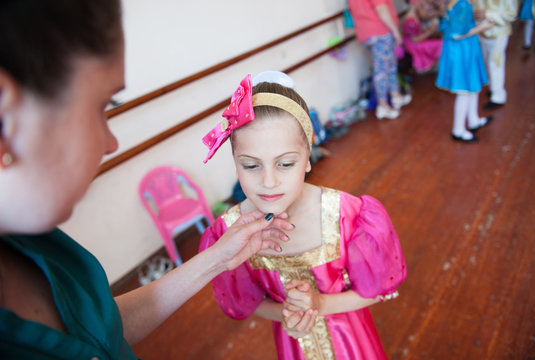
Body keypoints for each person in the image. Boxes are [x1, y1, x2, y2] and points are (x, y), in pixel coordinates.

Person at [0, 1, 294, 358]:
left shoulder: (42, 247)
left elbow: (100, 332)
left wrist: (217, 258)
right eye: (102, 106)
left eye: (286, 163)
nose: (111, 144)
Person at [199, 72, 407, 359]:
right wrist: (286, 314)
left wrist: (319, 304)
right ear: (235, 160)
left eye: (285, 163)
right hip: (292, 346)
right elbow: (247, 301)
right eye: (250, 166)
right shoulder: (228, 235)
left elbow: (373, 289)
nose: (269, 182)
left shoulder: (348, 215)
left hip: (353, 344)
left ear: (308, 151)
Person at [435, 0, 495, 142]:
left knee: (472, 88)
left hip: (465, 49)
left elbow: (454, 24)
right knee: (465, 91)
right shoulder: (463, 4)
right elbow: (456, 34)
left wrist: (474, 18)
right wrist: (483, 27)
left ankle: (473, 120)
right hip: (462, 50)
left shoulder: (456, 3)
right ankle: (458, 130)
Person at [348, 0, 412, 120]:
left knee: (389, 64)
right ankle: (382, 106)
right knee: (382, 69)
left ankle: (396, 96)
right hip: (380, 32)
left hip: (365, 33)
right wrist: (395, 30)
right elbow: (381, 8)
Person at [473, 0, 518, 109]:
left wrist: (488, 14)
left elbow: (511, 14)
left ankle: (498, 96)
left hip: (499, 33)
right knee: (487, 62)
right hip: (482, 32)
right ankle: (493, 87)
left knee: (495, 63)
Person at [402, 0, 444, 74]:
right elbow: (414, 39)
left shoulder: (414, 16)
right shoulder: (410, 20)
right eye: (420, 4)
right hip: (412, 45)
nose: (422, 5)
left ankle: (437, 65)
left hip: (415, 41)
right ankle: (433, 66)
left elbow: (417, 31)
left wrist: (426, 30)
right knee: (441, 43)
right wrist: (430, 32)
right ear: (414, 4)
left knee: (441, 41)